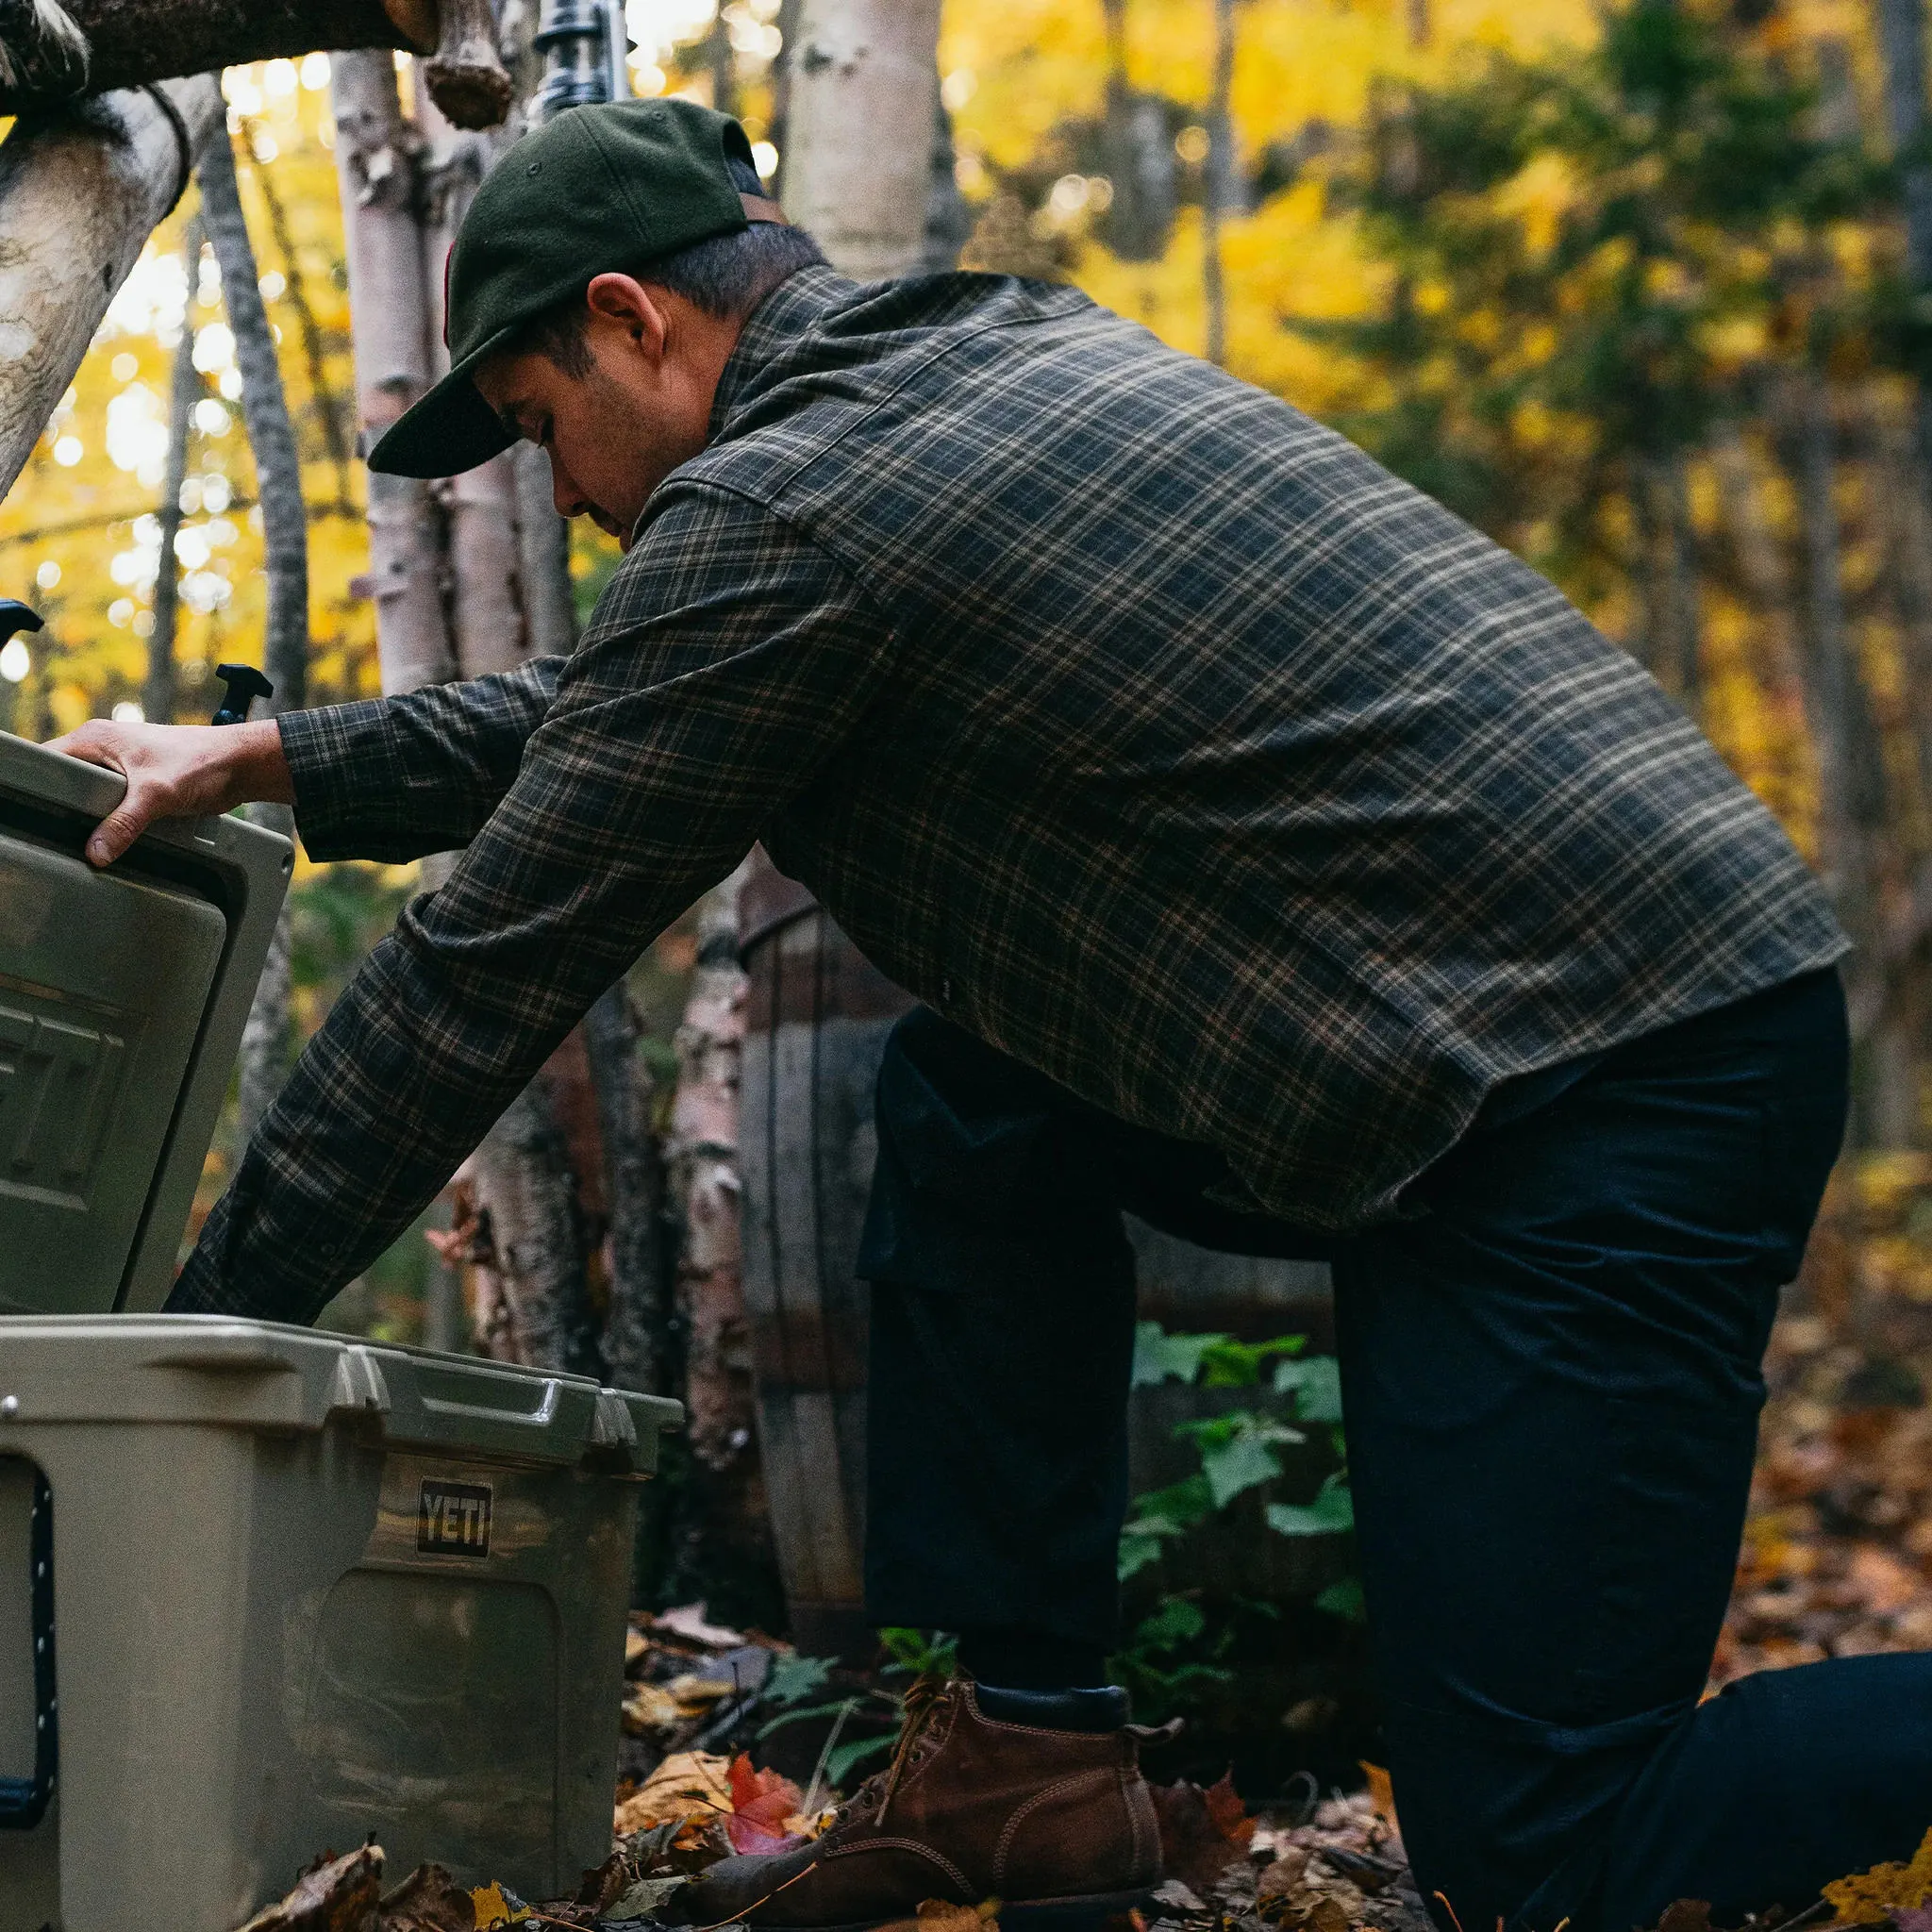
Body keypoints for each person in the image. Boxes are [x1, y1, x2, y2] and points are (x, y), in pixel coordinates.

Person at [51, 94, 1922, 1932]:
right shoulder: (971, 365)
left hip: (1604, 1067)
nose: (571, 495)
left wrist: (159, 1360)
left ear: (633, 317)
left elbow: (478, 979)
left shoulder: (783, 510)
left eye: (546, 430)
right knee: (974, 1091)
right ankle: (1027, 1756)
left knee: (1549, 1852)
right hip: (1546, 1013)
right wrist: (272, 754)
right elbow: (631, 713)